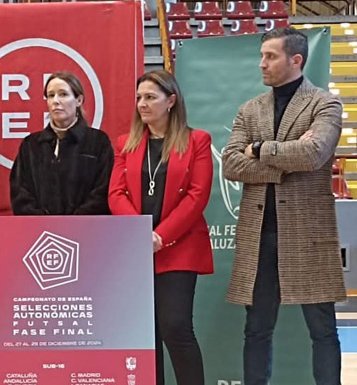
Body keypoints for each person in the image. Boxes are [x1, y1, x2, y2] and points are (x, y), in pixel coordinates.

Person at [222, 27, 345, 385]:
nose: (262, 64)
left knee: (322, 330)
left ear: (296, 60)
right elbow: (231, 164)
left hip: (309, 234)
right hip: (259, 235)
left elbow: (313, 153)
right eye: (261, 56)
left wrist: (259, 150)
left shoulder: (325, 103)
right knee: (256, 329)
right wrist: (286, 162)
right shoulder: (250, 109)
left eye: (270, 56)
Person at [108, 70, 213, 385]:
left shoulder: (197, 140)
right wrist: (140, 234)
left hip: (179, 247)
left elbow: (197, 196)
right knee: (144, 334)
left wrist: (160, 236)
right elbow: (116, 194)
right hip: (137, 250)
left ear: (171, 101)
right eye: (139, 97)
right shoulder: (125, 143)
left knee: (176, 327)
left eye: (150, 97)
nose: (142, 104)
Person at [9, 72, 112, 215]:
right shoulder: (31, 145)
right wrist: (44, 222)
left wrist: (73, 222)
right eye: (51, 95)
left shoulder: (98, 141)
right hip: (39, 231)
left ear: (79, 100)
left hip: (87, 230)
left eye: (63, 94)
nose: (56, 101)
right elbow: (20, 192)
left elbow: (103, 190)